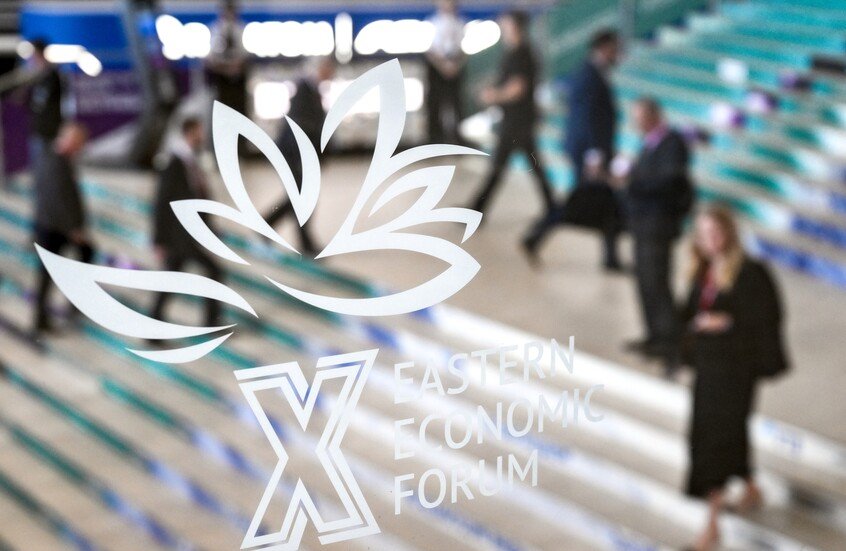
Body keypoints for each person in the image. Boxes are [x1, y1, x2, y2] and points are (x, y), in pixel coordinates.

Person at [681, 205, 788, 550]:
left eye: (715, 232)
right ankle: (752, 488)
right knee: (719, 434)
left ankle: (711, 527)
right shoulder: (702, 272)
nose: (710, 240)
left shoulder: (751, 273)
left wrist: (727, 322)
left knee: (715, 441)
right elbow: (687, 314)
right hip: (708, 370)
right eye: (704, 234)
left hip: (736, 370)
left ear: (728, 233)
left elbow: (766, 319)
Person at [522, 29, 622, 270]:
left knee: (608, 202)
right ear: (603, 48)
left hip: (593, 151)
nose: (617, 53)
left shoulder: (595, 72)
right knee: (578, 202)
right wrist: (594, 155)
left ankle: (610, 258)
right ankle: (536, 235)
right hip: (588, 153)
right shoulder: (588, 74)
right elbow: (587, 118)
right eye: (614, 49)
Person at [614, 98, 693, 371]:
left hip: (659, 225)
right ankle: (654, 337)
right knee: (645, 282)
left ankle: (671, 344)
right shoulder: (648, 143)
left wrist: (632, 182)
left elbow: (668, 182)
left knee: (658, 283)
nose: (637, 123)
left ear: (653, 116)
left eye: (640, 117)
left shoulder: (673, 143)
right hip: (642, 224)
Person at [468, 10, 554, 218]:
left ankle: (475, 211)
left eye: (506, 24)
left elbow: (518, 88)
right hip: (518, 119)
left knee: (498, 167)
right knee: (532, 165)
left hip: (517, 121)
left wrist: (493, 96)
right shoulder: (515, 52)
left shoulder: (521, 54)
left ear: (515, 27)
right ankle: (553, 206)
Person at [150, 117, 224, 329]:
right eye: (199, 132)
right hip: (180, 236)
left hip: (187, 235)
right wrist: (159, 240)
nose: (202, 136)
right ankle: (212, 323)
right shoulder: (174, 164)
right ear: (189, 133)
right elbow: (161, 203)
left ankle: (153, 326)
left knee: (172, 280)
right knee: (213, 272)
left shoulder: (191, 161)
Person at [262, 56, 336, 256]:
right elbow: (301, 126)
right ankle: (305, 243)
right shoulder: (304, 89)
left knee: (299, 198)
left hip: (299, 155)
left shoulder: (313, 89)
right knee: (302, 198)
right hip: (293, 155)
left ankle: (268, 226)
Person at [32, 122, 94, 333]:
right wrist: (73, 229)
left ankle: (69, 306)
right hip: (53, 228)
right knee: (48, 274)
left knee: (84, 255)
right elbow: (57, 199)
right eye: (78, 143)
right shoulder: (54, 161)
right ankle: (43, 318)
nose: (80, 148)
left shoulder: (55, 158)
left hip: (54, 226)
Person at [425, 0, 466, 144]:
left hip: (455, 68)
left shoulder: (459, 23)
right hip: (437, 69)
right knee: (435, 104)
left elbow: (462, 49)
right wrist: (443, 65)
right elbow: (430, 51)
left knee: (456, 104)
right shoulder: (432, 23)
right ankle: (435, 140)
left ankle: (458, 139)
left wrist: (455, 65)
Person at [25, 38, 64, 165]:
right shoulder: (36, 77)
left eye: (32, 54)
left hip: (50, 131)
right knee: (39, 165)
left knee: (49, 166)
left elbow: (45, 102)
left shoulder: (52, 75)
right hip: (38, 130)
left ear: (38, 53)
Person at [206, 1, 248, 115]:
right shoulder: (215, 29)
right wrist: (224, 68)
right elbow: (210, 58)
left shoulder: (241, 29)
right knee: (222, 111)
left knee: (239, 111)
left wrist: (236, 66)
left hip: (239, 80)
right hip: (221, 80)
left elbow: (245, 56)